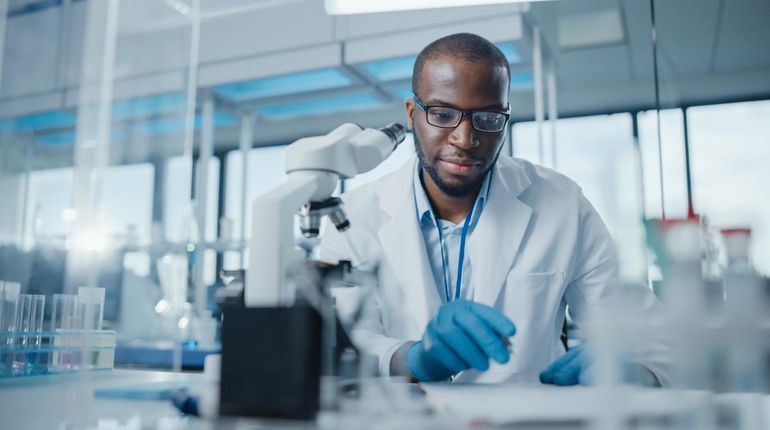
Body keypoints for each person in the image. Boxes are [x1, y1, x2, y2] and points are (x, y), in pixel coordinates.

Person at [320, 33, 669, 385]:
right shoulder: (350, 217)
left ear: (505, 118)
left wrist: (636, 372)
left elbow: (648, 339)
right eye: (442, 114)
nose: (465, 138)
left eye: (488, 118)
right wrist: (411, 357)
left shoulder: (562, 203)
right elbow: (343, 343)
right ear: (413, 114)